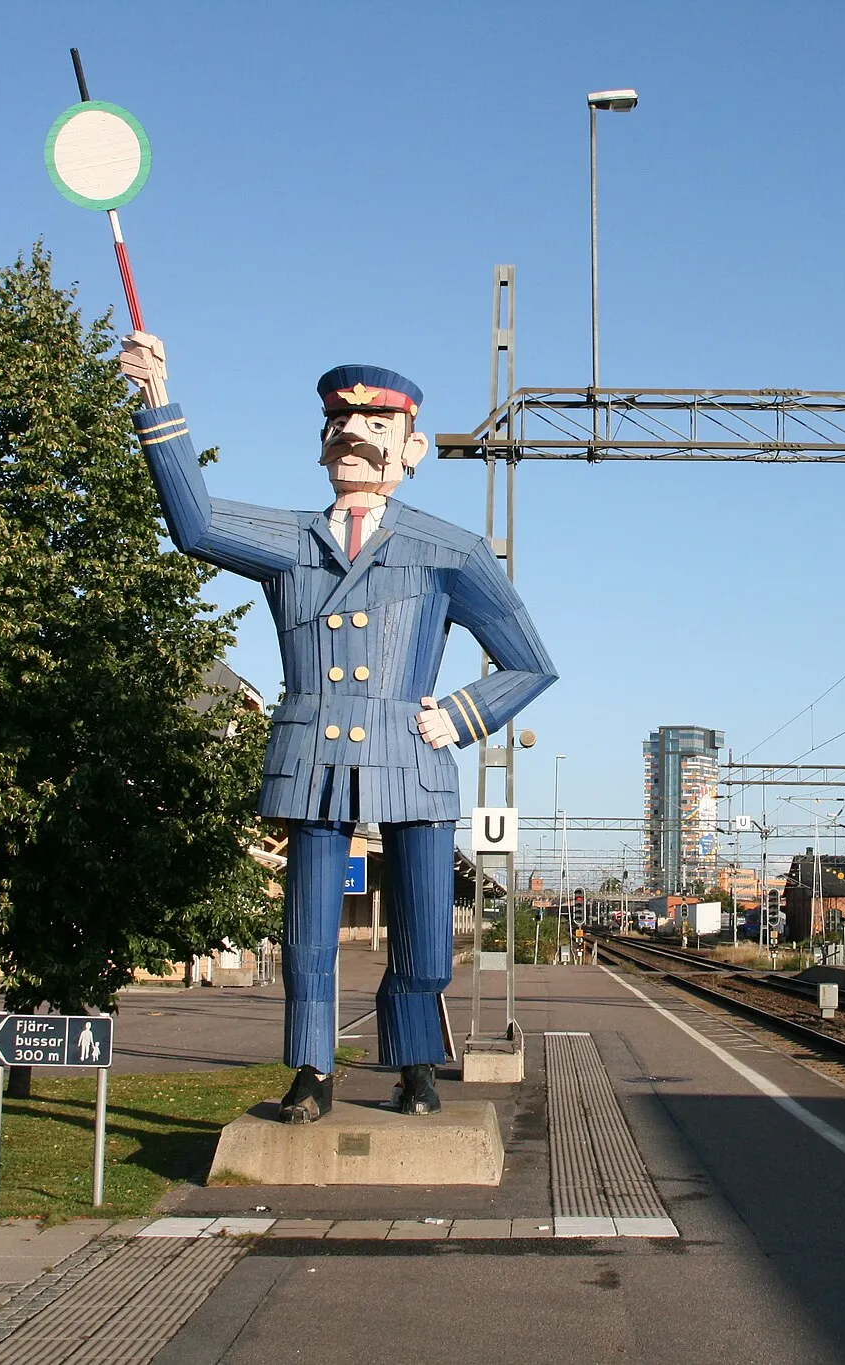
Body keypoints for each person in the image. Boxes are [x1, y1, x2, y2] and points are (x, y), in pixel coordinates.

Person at [120, 333, 556, 1122]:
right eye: (339, 426)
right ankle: (312, 1072)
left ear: (411, 447)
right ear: (322, 441)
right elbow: (195, 522)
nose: (352, 438)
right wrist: (156, 398)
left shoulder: (446, 548)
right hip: (314, 752)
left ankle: (417, 1062)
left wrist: (459, 716)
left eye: (375, 428)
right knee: (307, 937)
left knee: (424, 935)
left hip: (411, 755)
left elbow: (529, 660)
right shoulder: (289, 540)